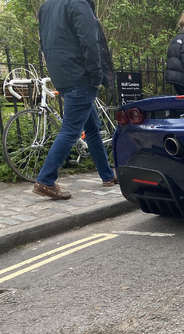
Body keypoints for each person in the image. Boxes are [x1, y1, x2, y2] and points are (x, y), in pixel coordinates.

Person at [34, 0, 117, 200]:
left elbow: (44, 44)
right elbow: (90, 42)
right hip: (81, 77)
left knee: (92, 128)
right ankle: (46, 179)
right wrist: (97, 78)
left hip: (63, 76)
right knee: (71, 129)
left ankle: (107, 175)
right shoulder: (78, 4)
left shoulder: (46, 7)